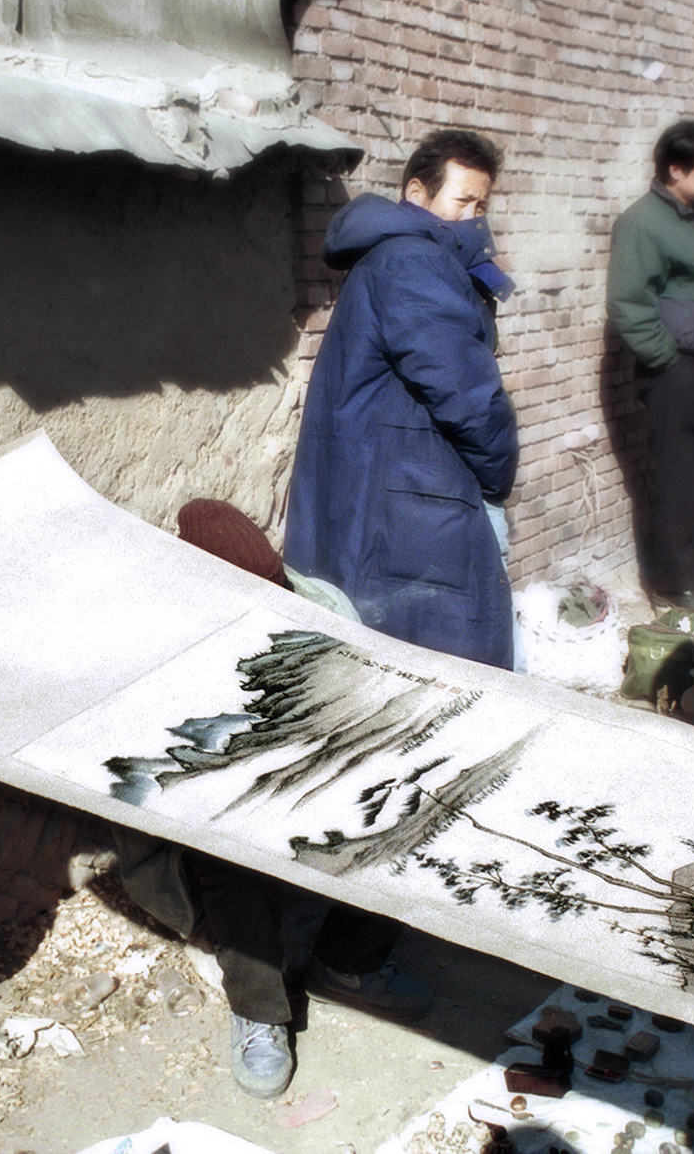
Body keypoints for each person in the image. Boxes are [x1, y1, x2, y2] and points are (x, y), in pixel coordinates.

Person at [116, 500, 432, 1101]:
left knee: (399, 795)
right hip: (216, 798)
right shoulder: (160, 640)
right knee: (223, 846)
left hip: (312, 767)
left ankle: (348, 960)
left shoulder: (320, 609)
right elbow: (149, 782)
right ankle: (259, 1011)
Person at [284, 130, 518, 669]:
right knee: (459, 684)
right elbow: (468, 397)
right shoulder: (413, 264)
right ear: (417, 194)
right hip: (412, 506)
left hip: (390, 496)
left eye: (482, 204)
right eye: (463, 201)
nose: (474, 218)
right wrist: (499, 474)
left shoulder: (396, 258)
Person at [606, 121, 694, 614]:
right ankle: (674, 582)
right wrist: (668, 358)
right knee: (676, 478)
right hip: (672, 372)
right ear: (675, 169)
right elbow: (627, 302)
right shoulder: (642, 222)